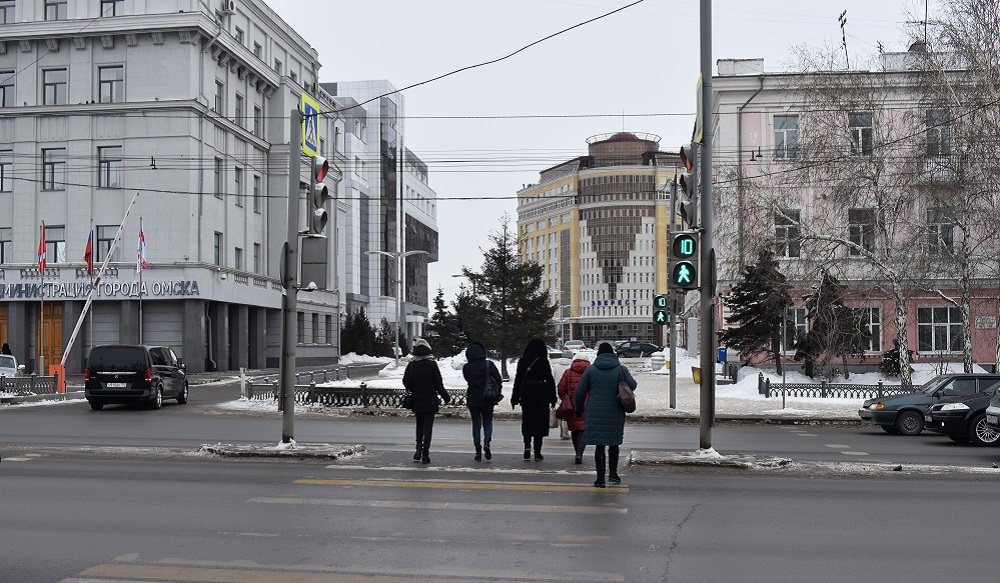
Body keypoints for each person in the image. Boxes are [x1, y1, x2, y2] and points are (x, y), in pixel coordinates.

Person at [575, 341, 637, 487]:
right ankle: (614, 475)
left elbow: (579, 392)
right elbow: (633, 385)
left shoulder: (591, 370)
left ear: (598, 354)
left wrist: (578, 408)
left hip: (595, 411)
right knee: (614, 444)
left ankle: (600, 478)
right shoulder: (621, 369)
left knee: (600, 446)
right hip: (615, 411)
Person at [402, 338, 451, 464]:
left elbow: (406, 381)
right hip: (430, 399)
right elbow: (438, 383)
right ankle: (425, 454)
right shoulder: (432, 364)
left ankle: (418, 450)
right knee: (428, 428)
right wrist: (446, 397)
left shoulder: (412, 364)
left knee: (419, 425)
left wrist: (413, 387)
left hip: (417, 399)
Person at [511, 338, 557, 460]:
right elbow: (550, 380)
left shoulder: (522, 362)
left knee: (527, 421)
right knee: (539, 423)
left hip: (527, 394)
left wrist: (515, 398)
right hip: (541, 394)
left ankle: (526, 447)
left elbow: (518, 380)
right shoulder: (543, 362)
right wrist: (553, 398)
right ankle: (537, 452)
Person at [462, 341, 503, 461]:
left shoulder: (467, 367)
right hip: (488, 398)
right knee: (488, 422)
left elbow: (468, 379)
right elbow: (498, 380)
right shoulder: (488, 364)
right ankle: (487, 442)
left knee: (476, 424)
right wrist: (496, 393)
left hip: (473, 399)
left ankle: (478, 450)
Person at [557, 352, 591, 464]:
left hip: (572, 403)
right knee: (583, 428)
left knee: (575, 429)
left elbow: (561, 389)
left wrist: (565, 398)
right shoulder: (590, 372)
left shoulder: (568, 372)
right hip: (587, 403)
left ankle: (576, 451)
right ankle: (580, 453)